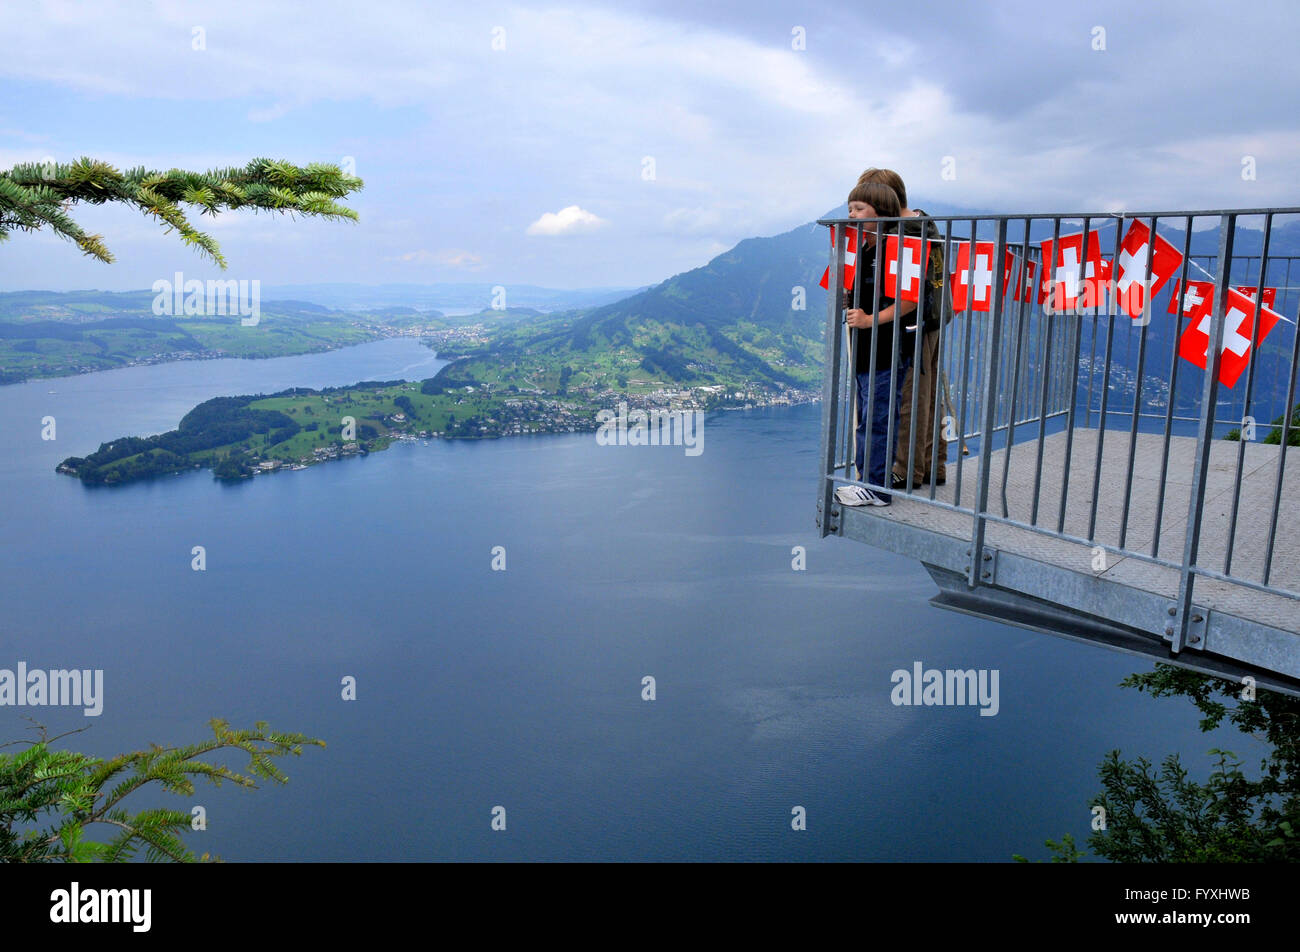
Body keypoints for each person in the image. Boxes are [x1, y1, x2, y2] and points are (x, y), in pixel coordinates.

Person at [857, 168, 948, 489]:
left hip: (912, 324)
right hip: (933, 318)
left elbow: (906, 290)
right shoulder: (920, 222)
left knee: (907, 397)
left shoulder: (904, 232)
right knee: (929, 395)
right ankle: (931, 463)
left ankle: (905, 469)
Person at [834, 181, 915, 508]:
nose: (851, 215)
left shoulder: (900, 248)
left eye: (858, 209)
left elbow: (909, 301)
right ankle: (867, 481)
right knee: (867, 418)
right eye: (850, 208)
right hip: (866, 352)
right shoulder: (864, 250)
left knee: (878, 420)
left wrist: (869, 320)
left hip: (886, 351)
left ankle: (878, 488)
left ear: (880, 212)